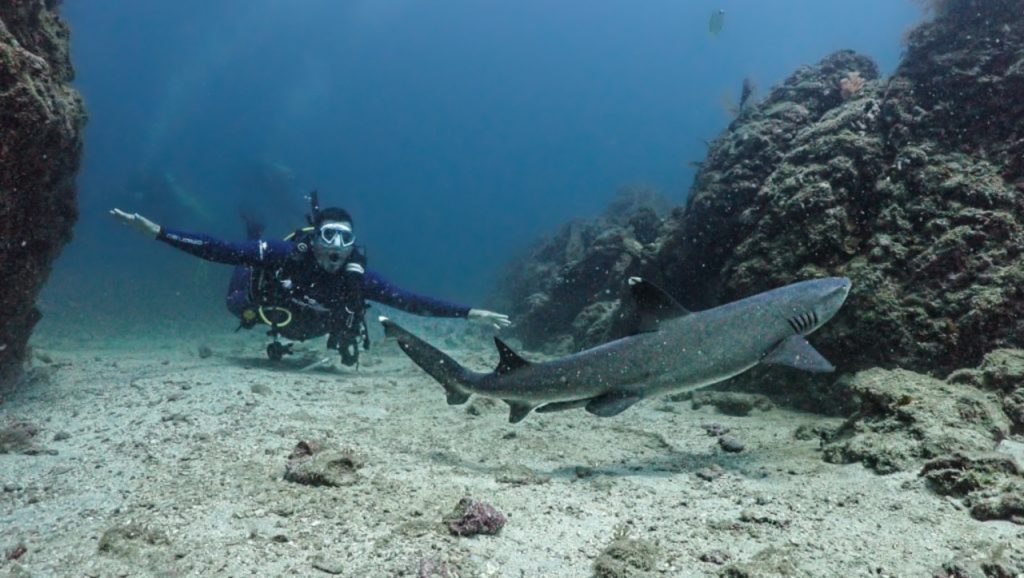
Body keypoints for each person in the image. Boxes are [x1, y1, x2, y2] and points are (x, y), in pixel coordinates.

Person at [109, 193, 511, 365]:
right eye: (328, 236)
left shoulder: (356, 278)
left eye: (345, 239)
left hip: (312, 327)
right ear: (315, 239)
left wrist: (469, 313)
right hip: (266, 308)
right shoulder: (289, 255)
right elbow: (217, 249)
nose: (336, 248)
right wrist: (160, 233)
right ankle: (255, 235)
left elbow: (410, 301)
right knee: (241, 277)